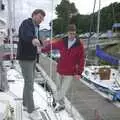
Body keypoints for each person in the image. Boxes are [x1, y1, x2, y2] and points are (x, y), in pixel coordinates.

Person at [41, 24, 85, 112]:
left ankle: (54, 97)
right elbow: (51, 46)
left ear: (75, 33)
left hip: (70, 72)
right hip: (60, 70)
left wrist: (79, 72)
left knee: (63, 90)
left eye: (73, 33)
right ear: (67, 33)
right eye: (70, 33)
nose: (71, 35)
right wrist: (42, 50)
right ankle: (62, 105)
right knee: (58, 89)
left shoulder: (79, 44)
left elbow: (81, 59)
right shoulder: (62, 41)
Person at [16, 9, 45, 120]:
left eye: (42, 18)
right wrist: (34, 41)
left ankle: (25, 103)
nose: (41, 20)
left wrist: (42, 43)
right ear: (33, 15)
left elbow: (39, 40)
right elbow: (27, 36)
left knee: (29, 82)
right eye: (39, 17)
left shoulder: (37, 27)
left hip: (32, 59)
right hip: (25, 59)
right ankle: (31, 110)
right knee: (30, 84)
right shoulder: (26, 23)